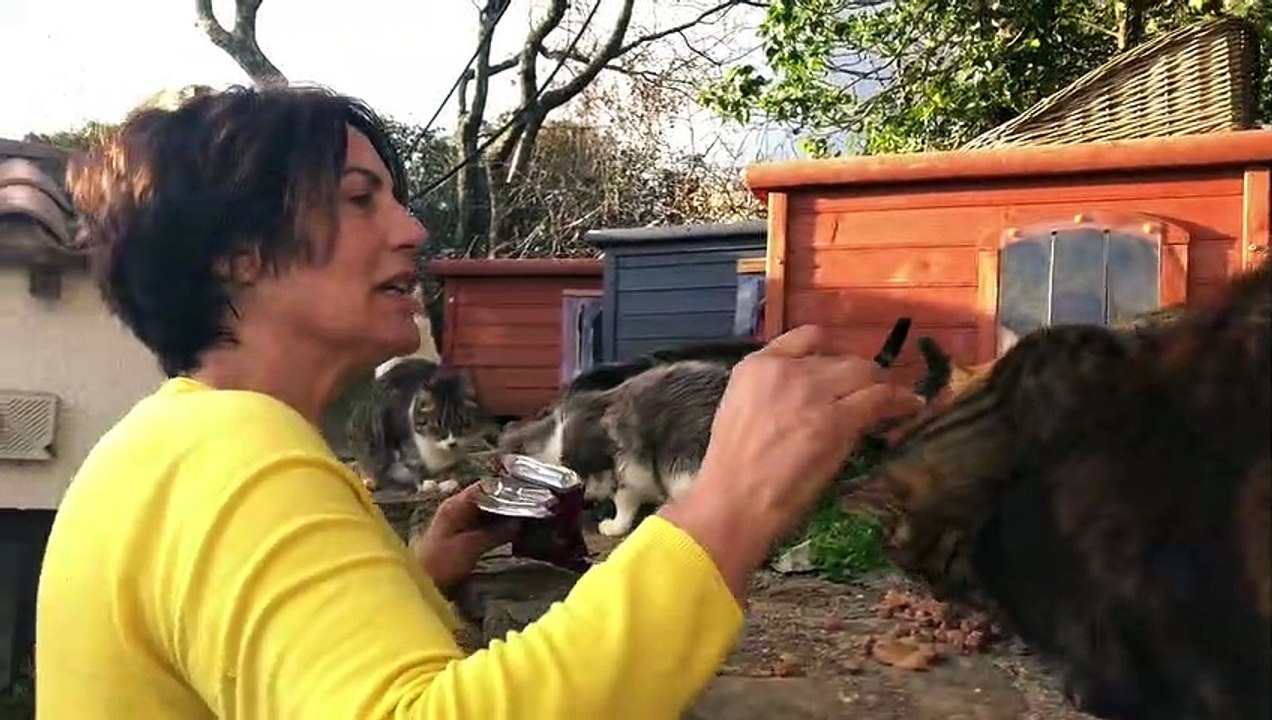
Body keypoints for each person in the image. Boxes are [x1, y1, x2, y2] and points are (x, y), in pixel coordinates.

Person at [34, 84, 924, 719]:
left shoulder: (172, 443)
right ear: (239, 255)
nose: (412, 231)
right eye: (358, 199)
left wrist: (420, 577)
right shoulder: (232, 456)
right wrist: (733, 503)